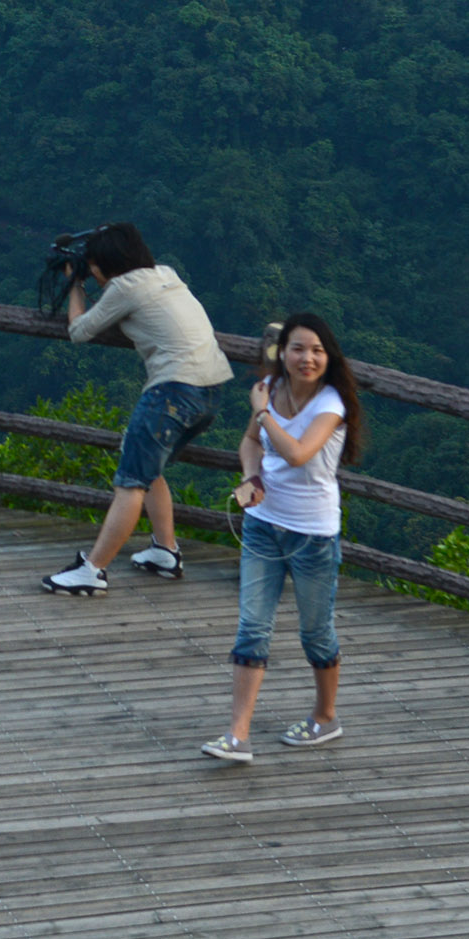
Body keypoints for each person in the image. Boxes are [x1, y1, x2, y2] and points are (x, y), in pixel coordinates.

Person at [202, 314, 361, 763]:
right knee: (252, 626)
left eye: (316, 350)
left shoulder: (331, 404)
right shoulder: (272, 390)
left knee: (316, 633)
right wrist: (251, 476)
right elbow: (251, 443)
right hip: (262, 525)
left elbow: (296, 453)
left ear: (328, 358)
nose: (307, 358)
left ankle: (325, 717)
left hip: (312, 535)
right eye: (297, 348)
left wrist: (263, 411)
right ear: (283, 352)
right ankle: (238, 734)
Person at [40, 224, 231, 594]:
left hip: (173, 390)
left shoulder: (123, 288)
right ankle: (165, 551)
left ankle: (92, 571)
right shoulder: (166, 273)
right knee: (145, 463)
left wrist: (75, 285)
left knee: (130, 482)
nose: (92, 273)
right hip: (210, 390)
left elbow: (79, 330)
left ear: (107, 264)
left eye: (93, 266)